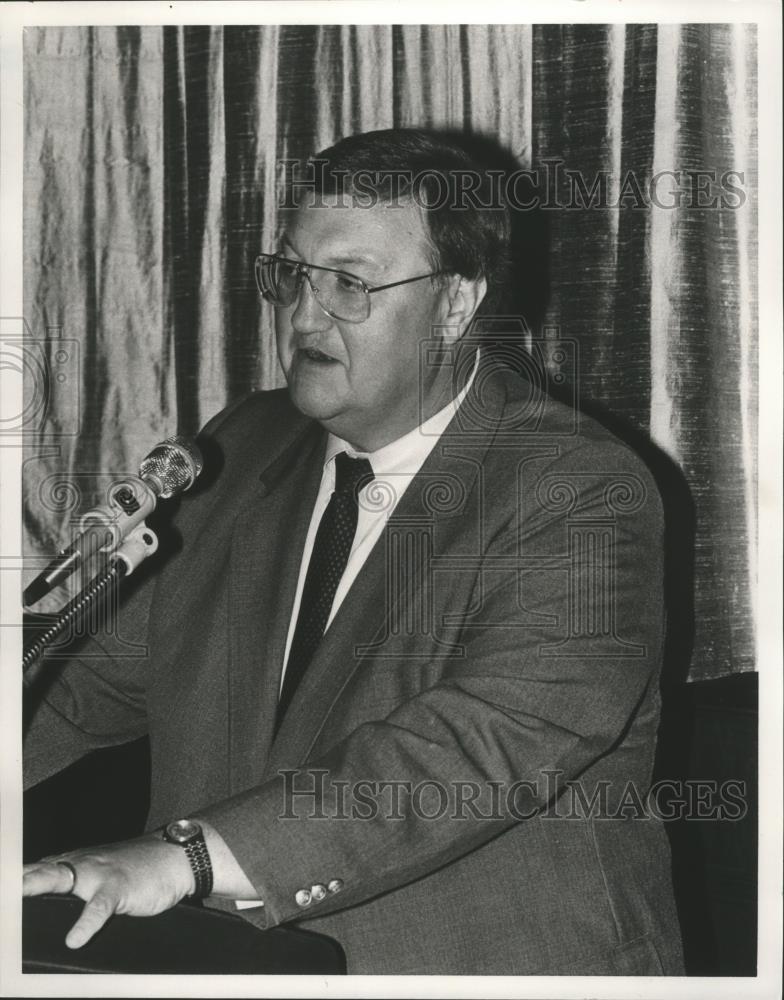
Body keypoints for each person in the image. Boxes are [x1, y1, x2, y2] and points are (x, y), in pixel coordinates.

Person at [23, 128, 684, 975]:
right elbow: (85, 681)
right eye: (292, 275)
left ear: (455, 304)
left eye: (349, 284)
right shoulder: (242, 449)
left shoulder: (579, 487)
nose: (305, 314)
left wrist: (186, 856)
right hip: (237, 968)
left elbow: (486, 743)